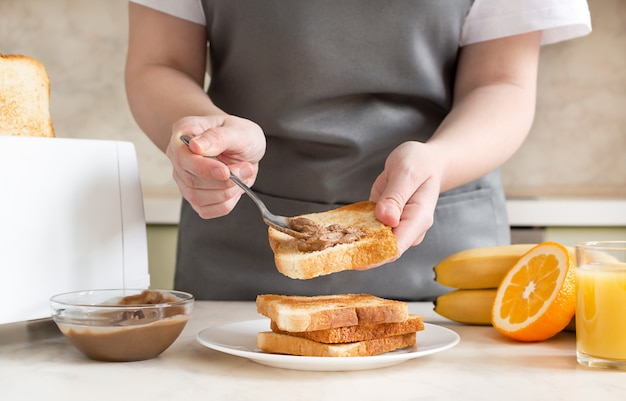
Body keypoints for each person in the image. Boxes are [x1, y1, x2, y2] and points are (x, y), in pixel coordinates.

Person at [125, 0, 591, 301]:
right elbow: (159, 63)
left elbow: (501, 83)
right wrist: (201, 133)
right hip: (235, 252)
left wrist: (440, 161)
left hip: (437, 259)